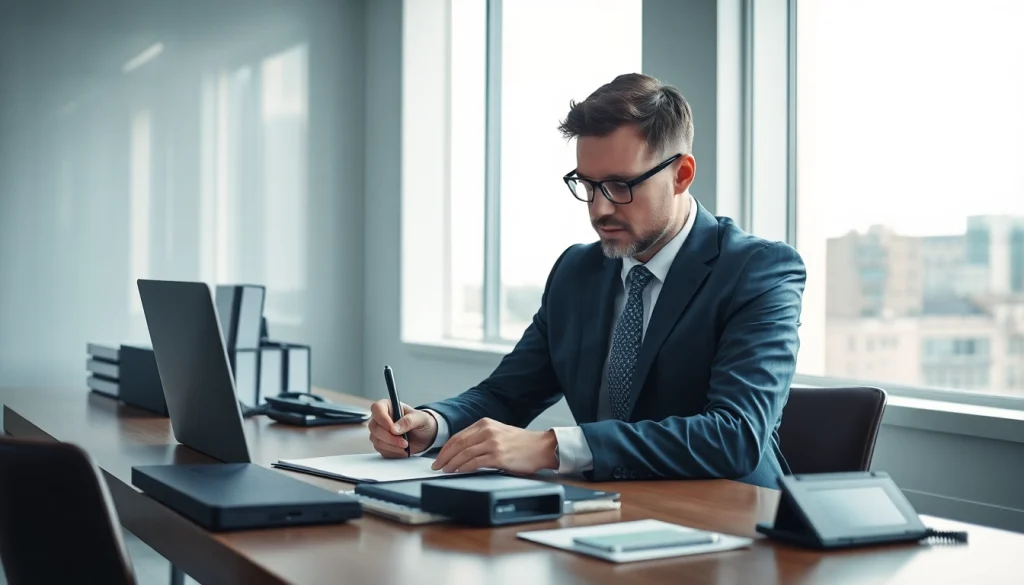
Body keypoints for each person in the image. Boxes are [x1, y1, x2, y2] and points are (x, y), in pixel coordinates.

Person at [368, 73, 806, 488]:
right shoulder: (576, 271)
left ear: (682, 175)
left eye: (620, 185)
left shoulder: (758, 271)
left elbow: (734, 436)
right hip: (605, 512)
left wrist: (552, 447)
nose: (599, 209)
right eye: (588, 185)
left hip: (730, 519)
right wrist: (432, 424)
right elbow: (507, 395)